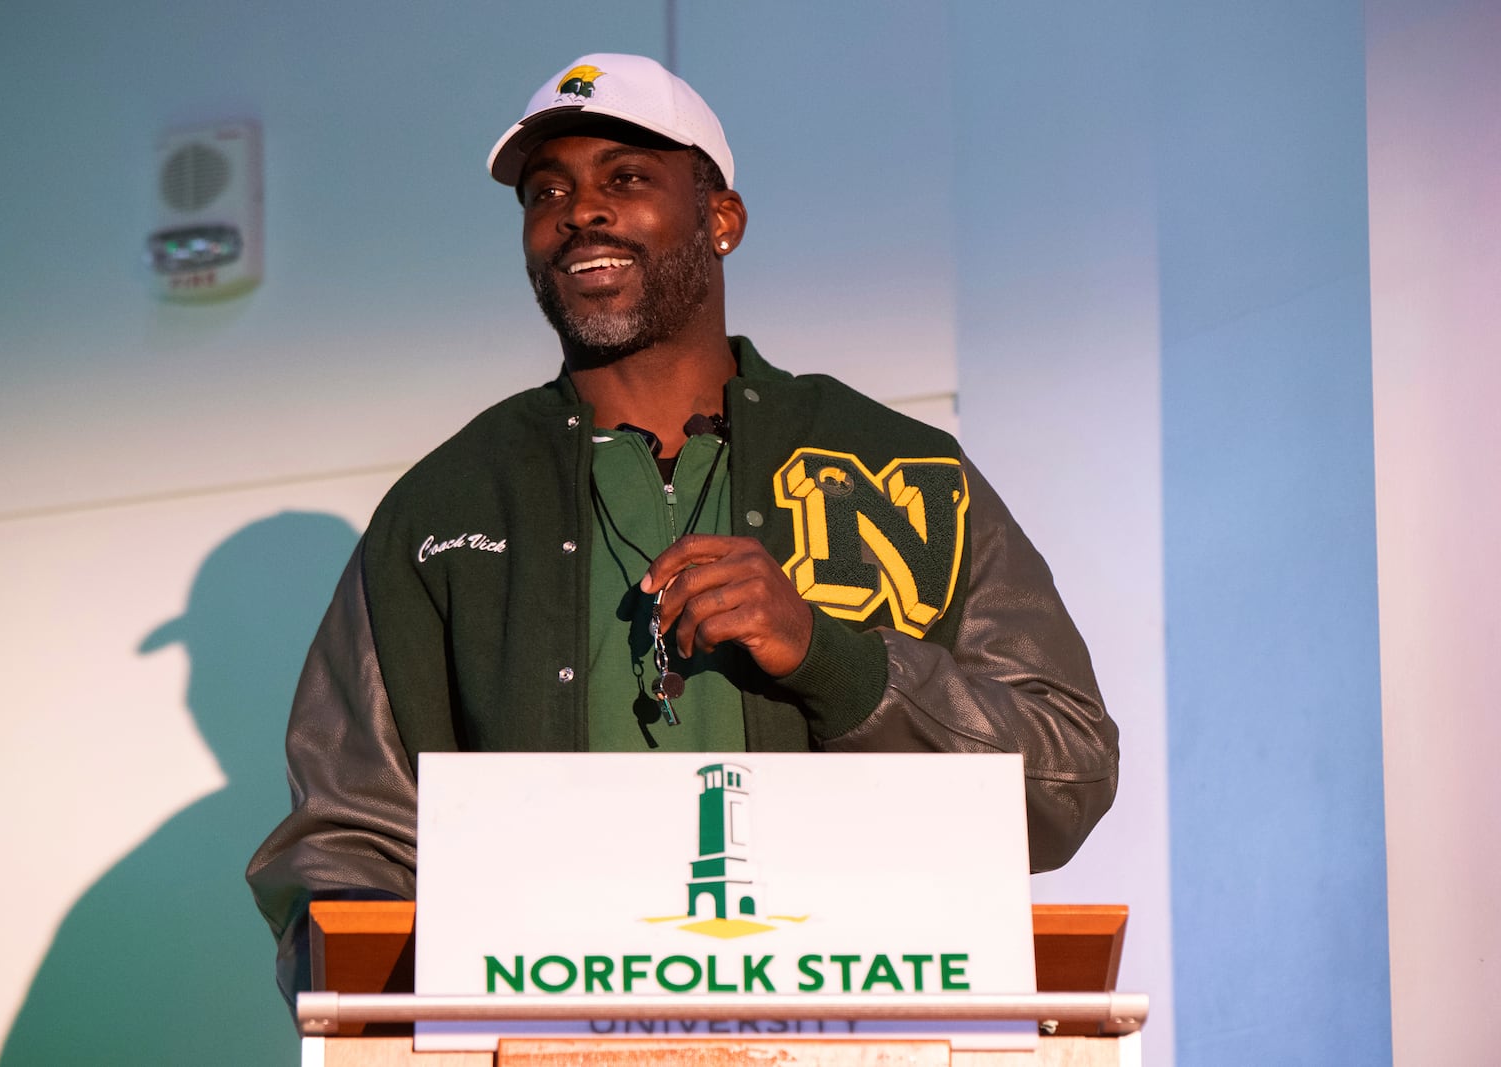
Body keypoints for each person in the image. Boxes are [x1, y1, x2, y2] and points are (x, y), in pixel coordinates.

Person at [247, 53, 1119, 1005]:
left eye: (626, 178)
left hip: (852, 1017)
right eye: (548, 191)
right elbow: (347, 835)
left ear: (721, 219)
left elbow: (1065, 773)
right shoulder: (447, 505)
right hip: (541, 1031)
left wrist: (833, 659)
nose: (580, 210)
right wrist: (383, 1000)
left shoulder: (897, 467)